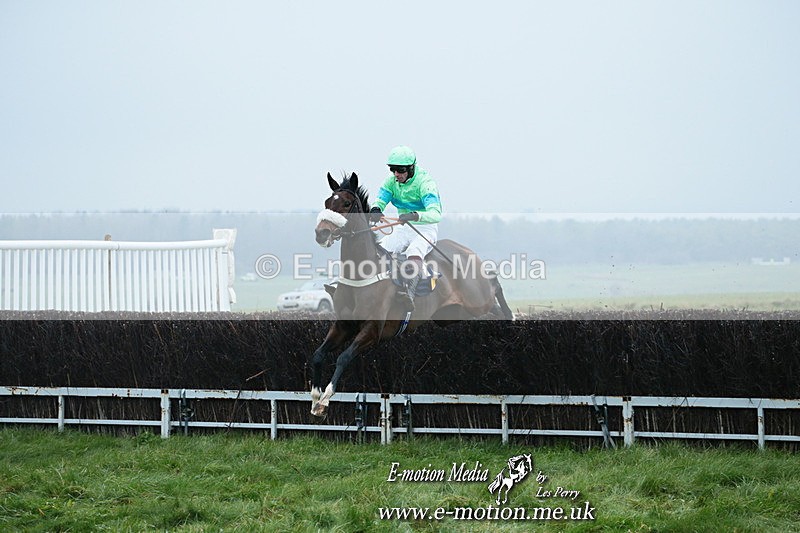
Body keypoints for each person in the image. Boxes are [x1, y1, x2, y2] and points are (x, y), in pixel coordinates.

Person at [369, 146, 442, 311]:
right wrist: (375, 209)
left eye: (400, 170)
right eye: (392, 169)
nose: (396, 174)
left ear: (411, 168)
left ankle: (409, 294)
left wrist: (416, 215)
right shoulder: (391, 181)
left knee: (413, 252)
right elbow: (380, 199)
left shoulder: (425, 182)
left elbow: (436, 213)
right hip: (404, 227)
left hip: (425, 228)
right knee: (381, 250)